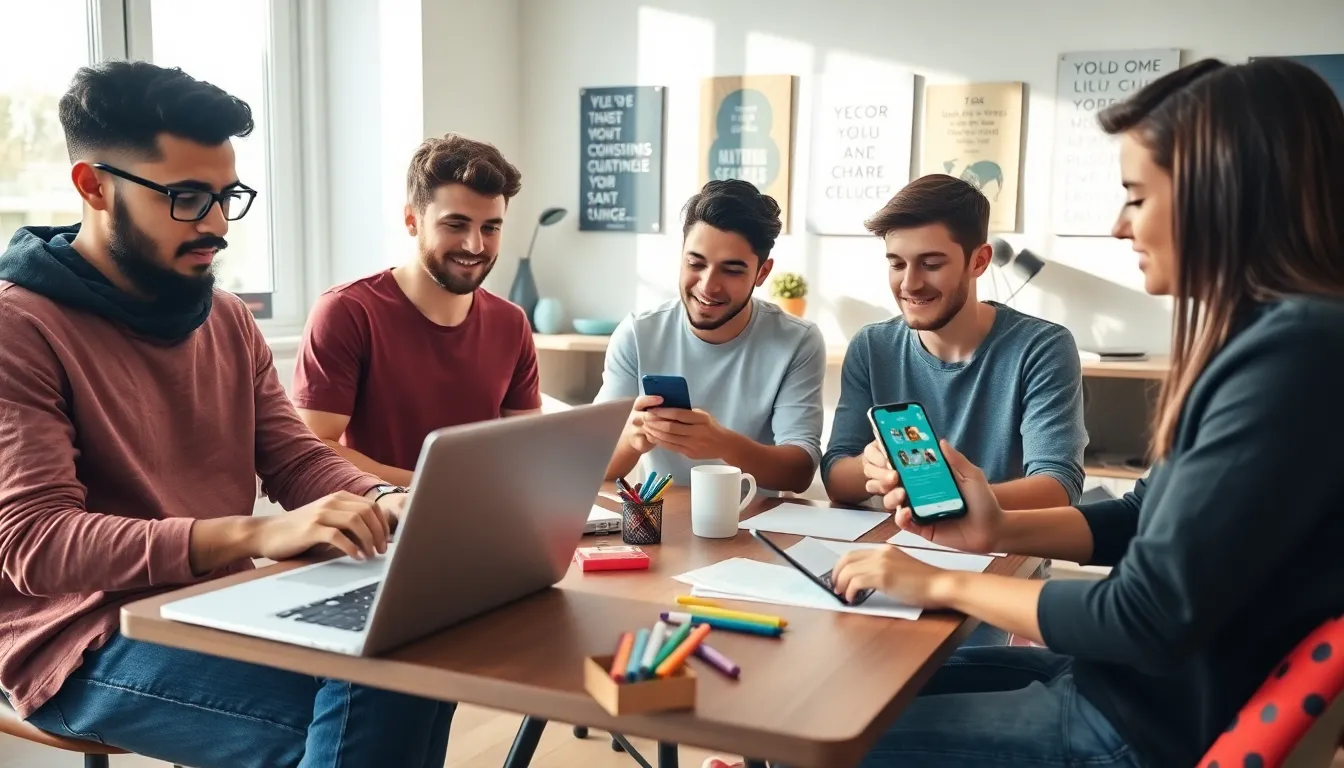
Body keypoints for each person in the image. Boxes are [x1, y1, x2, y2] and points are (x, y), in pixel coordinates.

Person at [818, 56, 1344, 768]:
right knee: (846, 690)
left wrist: (939, 582)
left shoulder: (1293, 360)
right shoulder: (1269, 341)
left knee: (819, 740)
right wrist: (998, 526)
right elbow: (1139, 519)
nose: (1119, 225)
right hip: (1123, 686)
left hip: (1137, 727)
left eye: (1136, 196)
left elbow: (1144, 615)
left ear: (1220, 195)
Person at [0, 61, 452, 768]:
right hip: (80, 639)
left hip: (223, 605)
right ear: (93, 186)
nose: (216, 226)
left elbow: (296, 459)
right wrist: (258, 533)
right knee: (372, 716)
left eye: (225, 196)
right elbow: (38, 545)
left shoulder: (227, 318)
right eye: (185, 197)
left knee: (422, 656)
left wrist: (391, 502)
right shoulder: (18, 328)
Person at [821, 174, 1087, 514]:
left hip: (1001, 556)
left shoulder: (1041, 348)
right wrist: (870, 466)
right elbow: (835, 477)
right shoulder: (872, 347)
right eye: (897, 264)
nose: (910, 284)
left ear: (979, 261)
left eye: (931, 265)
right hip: (894, 549)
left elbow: (1058, 485)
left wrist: (948, 500)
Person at [292, 133, 541, 487]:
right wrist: (436, 490)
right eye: (455, 225)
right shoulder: (346, 311)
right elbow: (315, 450)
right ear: (412, 221)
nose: (475, 245)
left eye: (490, 228)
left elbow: (530, 446)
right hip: (378, 530)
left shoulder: (511, 323)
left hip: (483, 520)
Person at [594, 179, 826, 494]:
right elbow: (595, 466)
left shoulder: (797, 341)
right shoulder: (638, 333)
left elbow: (799, 471)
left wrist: (721, 443)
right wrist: (633, 440)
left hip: (755, 523)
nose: (708, 285)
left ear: (762, 273)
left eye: (731, 270)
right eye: (696, 263)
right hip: (666, 524)